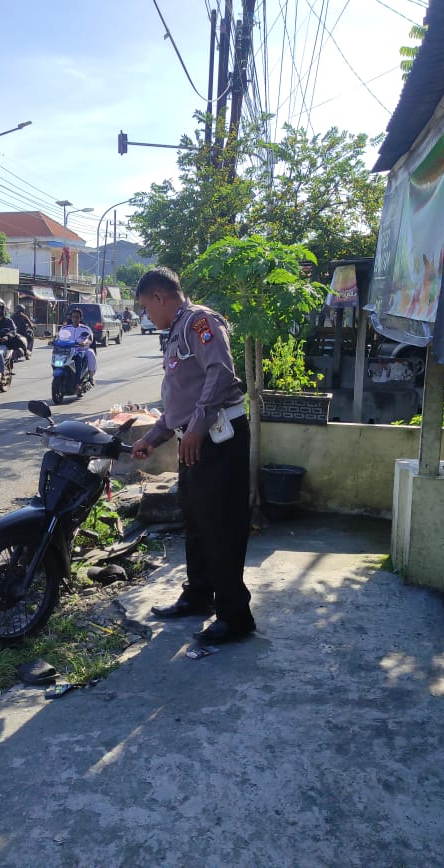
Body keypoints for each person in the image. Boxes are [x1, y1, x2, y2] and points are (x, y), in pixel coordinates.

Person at [130, 266, 254, 643]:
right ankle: (199, 595)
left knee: (221, 527)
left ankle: (236, 616)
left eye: (145, 308)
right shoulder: (176, 331)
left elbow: (221, 371)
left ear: (159, 298)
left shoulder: (200, 322)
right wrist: (154, 435)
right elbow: (179, 398)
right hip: (195, 442)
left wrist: (199, 423)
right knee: (197, 522)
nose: (145, 316)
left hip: (218, 439)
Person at [61, 307, 97, 385]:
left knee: (90, 353)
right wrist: (53, 341)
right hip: (68, 351)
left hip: (81, 350)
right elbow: (59, 337)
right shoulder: (65, 328)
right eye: (73, 317)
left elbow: (89, 338)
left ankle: (90, 377)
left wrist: (84, 342)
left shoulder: (85, 328)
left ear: (80, 318)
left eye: (77, 317)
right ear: (71, 318)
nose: (75, 319)